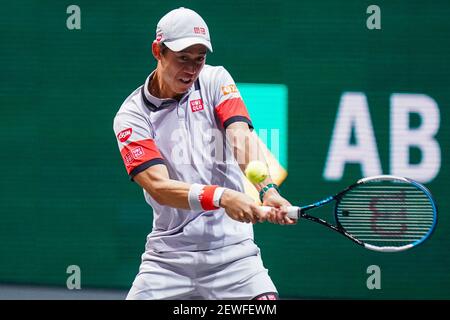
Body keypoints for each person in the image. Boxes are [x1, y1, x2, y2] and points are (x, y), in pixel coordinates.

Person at [113, 7, 296, 300]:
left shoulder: (215, 79)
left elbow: (240, 136)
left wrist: (267, 189)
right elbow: (159, 187)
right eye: (183, 58)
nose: (191, 69)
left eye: (199, 59)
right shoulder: (131, 116)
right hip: (168, 260)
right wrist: (224, 196)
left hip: (234, 256)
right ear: (157, 51)